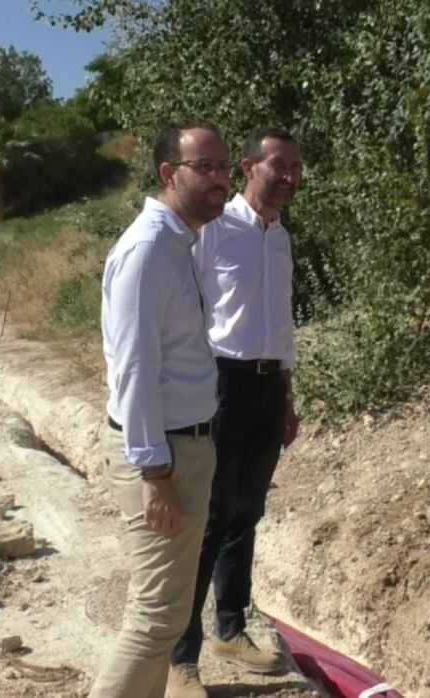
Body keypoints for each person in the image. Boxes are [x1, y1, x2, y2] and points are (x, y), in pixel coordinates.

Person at [93, 123, 231, 698]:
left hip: (185, 446)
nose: (221, 180)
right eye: (206, 168)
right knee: (154, 620)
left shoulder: (180, 243)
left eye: (225, 167)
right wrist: (154, 473)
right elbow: (133, 371)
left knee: (166, 618)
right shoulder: (148, 249)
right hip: (164, 455)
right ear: (169, 174)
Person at [168, 127, 302, 697]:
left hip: (269, 390)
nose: (291, 176)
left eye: (296, 168)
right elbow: (185, 307)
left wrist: (288, 396)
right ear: (250, 167)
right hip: (222, 386)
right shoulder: (214, 230)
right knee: (208, 519)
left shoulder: (281, 239)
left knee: (246, 514)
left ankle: (229, 629)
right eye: (280, 165)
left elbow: (282, 322)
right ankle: (180, 658)